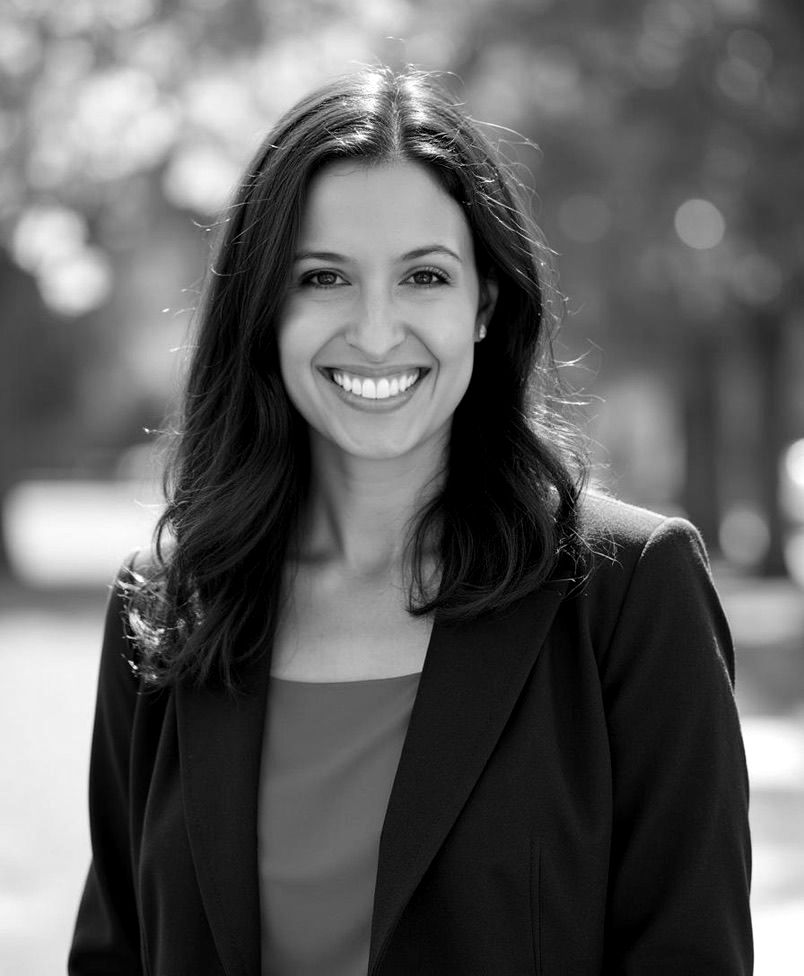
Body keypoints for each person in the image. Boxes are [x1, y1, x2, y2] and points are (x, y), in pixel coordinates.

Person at [68, 67, 752, 975]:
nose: (377, 330)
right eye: (324, 277)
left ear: (485, 304)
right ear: (264, 309)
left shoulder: (629, 595)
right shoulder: (166, 605)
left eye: (424, 276)